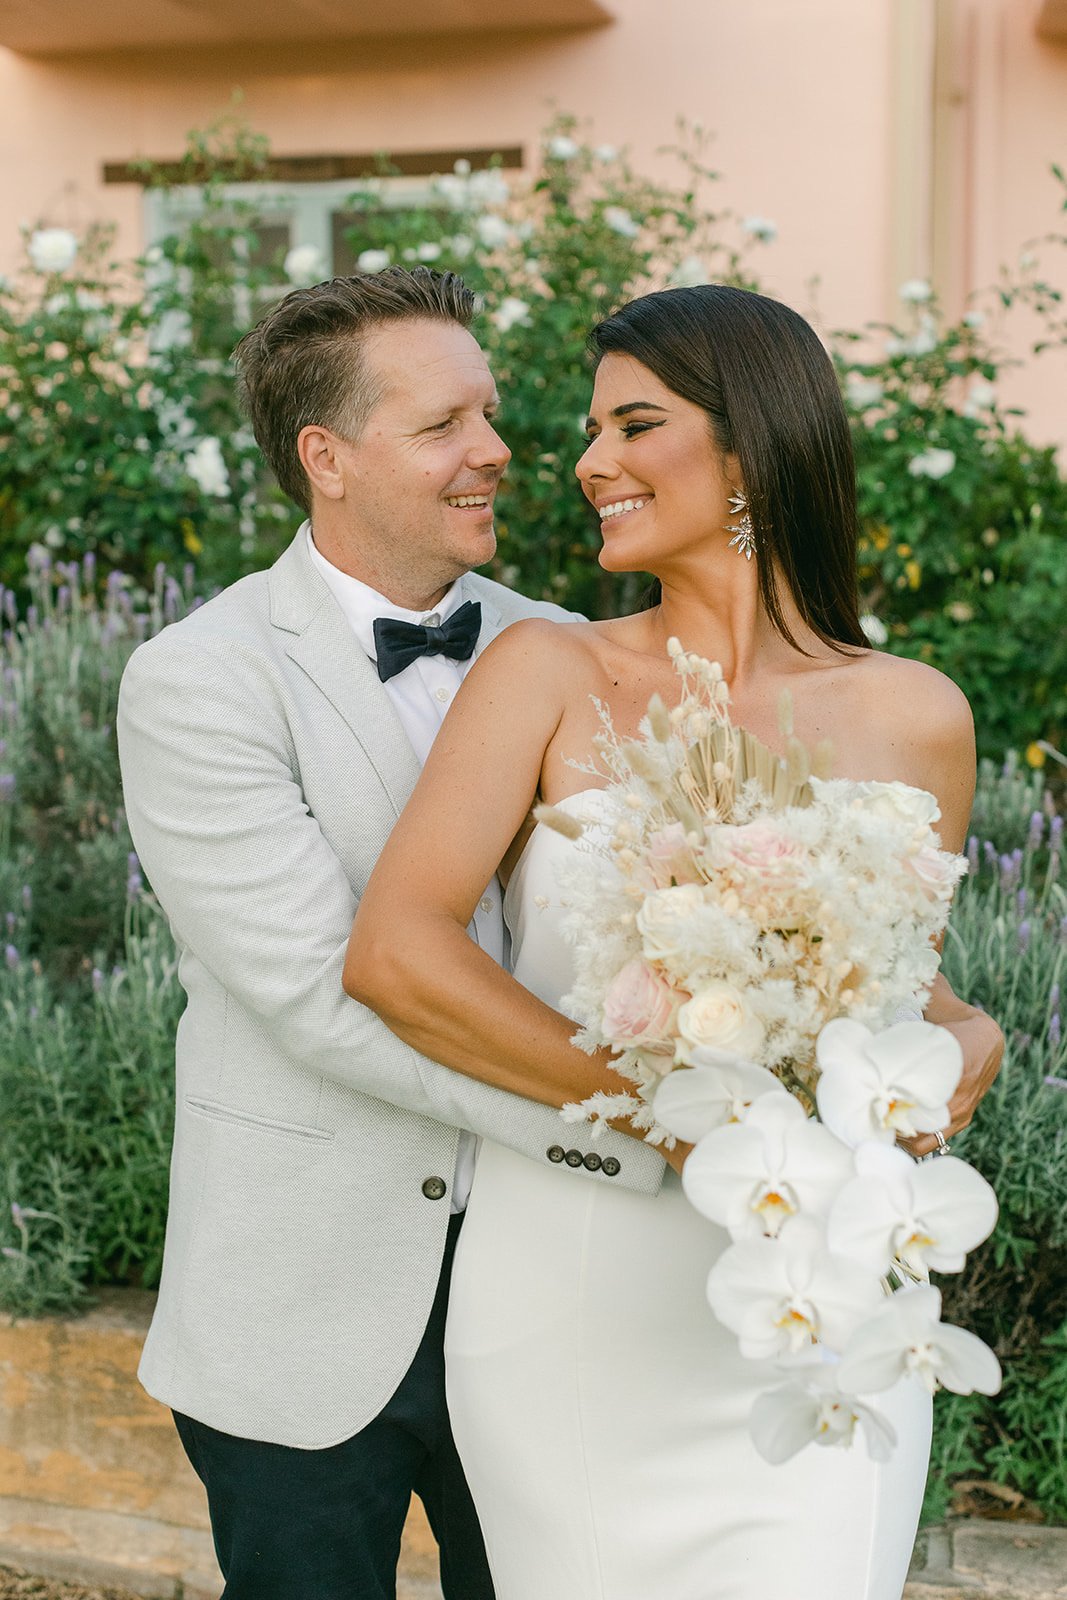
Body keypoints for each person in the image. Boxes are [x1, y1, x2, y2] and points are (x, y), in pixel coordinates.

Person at [345, 282, 1004, 1600]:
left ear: (751, 445)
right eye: (592, 431)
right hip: (579, 1294)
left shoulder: (920, 714)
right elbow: (398, 956)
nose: (589, 464)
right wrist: (676, 1118)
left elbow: (897, 989)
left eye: (634, 425)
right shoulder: (545, 671)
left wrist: (963, 1032)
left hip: (824, 1300)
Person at [115, 267, 667, 1600]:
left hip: (553, 1299)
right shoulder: (198, 679)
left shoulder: (579, 651)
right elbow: (325, 996)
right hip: (295, 1311)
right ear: (328, 458)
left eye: (487, 414)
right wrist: (642, 1127)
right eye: (442, 426)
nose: (496, 451)